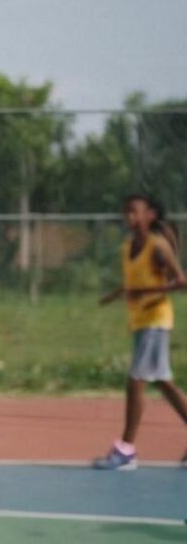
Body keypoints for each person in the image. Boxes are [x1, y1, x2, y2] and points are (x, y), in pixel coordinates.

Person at [94, 193, 187, 470]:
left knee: (136, 380)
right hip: (140, 322)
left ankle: (126, 449)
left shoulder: (158, 246)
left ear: (151, 216)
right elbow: (131, 284)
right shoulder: (127, 247)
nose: (130, 218)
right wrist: (114, 295)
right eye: (127, 212)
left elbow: (181, 281)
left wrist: (146, 292)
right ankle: (126, 449)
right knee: (163, 383)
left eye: (135, 212)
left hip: (156, 321)